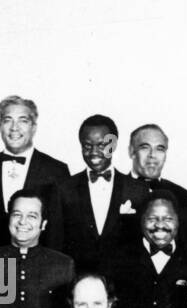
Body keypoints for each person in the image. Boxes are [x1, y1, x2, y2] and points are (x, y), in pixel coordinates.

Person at [46, 114, 149, 271]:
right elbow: (55, 244)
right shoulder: (63, 189)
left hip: (123, 284)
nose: (94, 152)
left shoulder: (137, 189)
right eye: (87, 146)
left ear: (113, 145)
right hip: (78, 283)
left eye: (101, 145)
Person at [0, 95, 70, 237]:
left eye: (23, 121)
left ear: (33, 127)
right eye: (8, 120)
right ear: (0, 127)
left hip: (39, 257)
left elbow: (60, 228)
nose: (14, 128)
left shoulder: (56, 170)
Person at [127, 124, 187, 207]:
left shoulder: (185, 198)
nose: (152, 155)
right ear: (131, 151)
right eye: (145, 147)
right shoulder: (112, 191)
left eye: (159, 149)